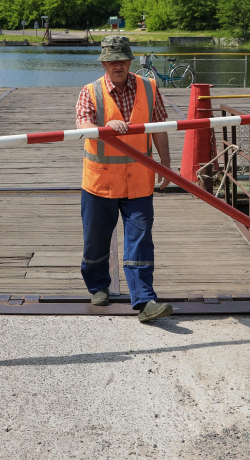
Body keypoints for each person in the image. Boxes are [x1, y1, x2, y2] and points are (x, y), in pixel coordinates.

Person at [75, 36, 174, 323]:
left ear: (130, 61)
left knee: (141, 240)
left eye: (122, 59)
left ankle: (145, 300)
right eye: (112, 60)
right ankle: (98, 286)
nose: (117, 65)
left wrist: (165, 164)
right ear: (104, 63)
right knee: (96, 240)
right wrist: (103, 127)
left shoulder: (149, 87)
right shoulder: (89, 91)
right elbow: (82, 124)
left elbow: (160, 127)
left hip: (140, 181)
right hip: (100, 183)